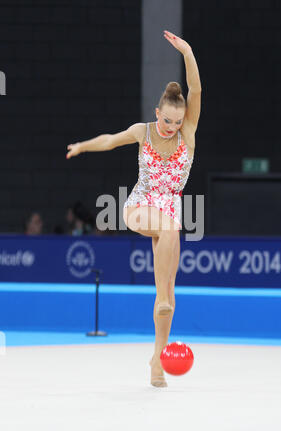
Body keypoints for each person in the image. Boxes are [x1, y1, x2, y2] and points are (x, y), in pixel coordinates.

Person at [66, 30, 202, 387]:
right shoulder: (143, 131)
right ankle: (161, 295)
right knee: (170, 231)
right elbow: (111, 140)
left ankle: (157, 359)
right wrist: (81, 145)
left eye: (177, 121)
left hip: (170, 211)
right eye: (166, 119)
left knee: (169, 298)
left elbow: (197, 91)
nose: (171, 127)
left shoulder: (187, 133)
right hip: (140, 206)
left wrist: (188, 53)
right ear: (157, 112)